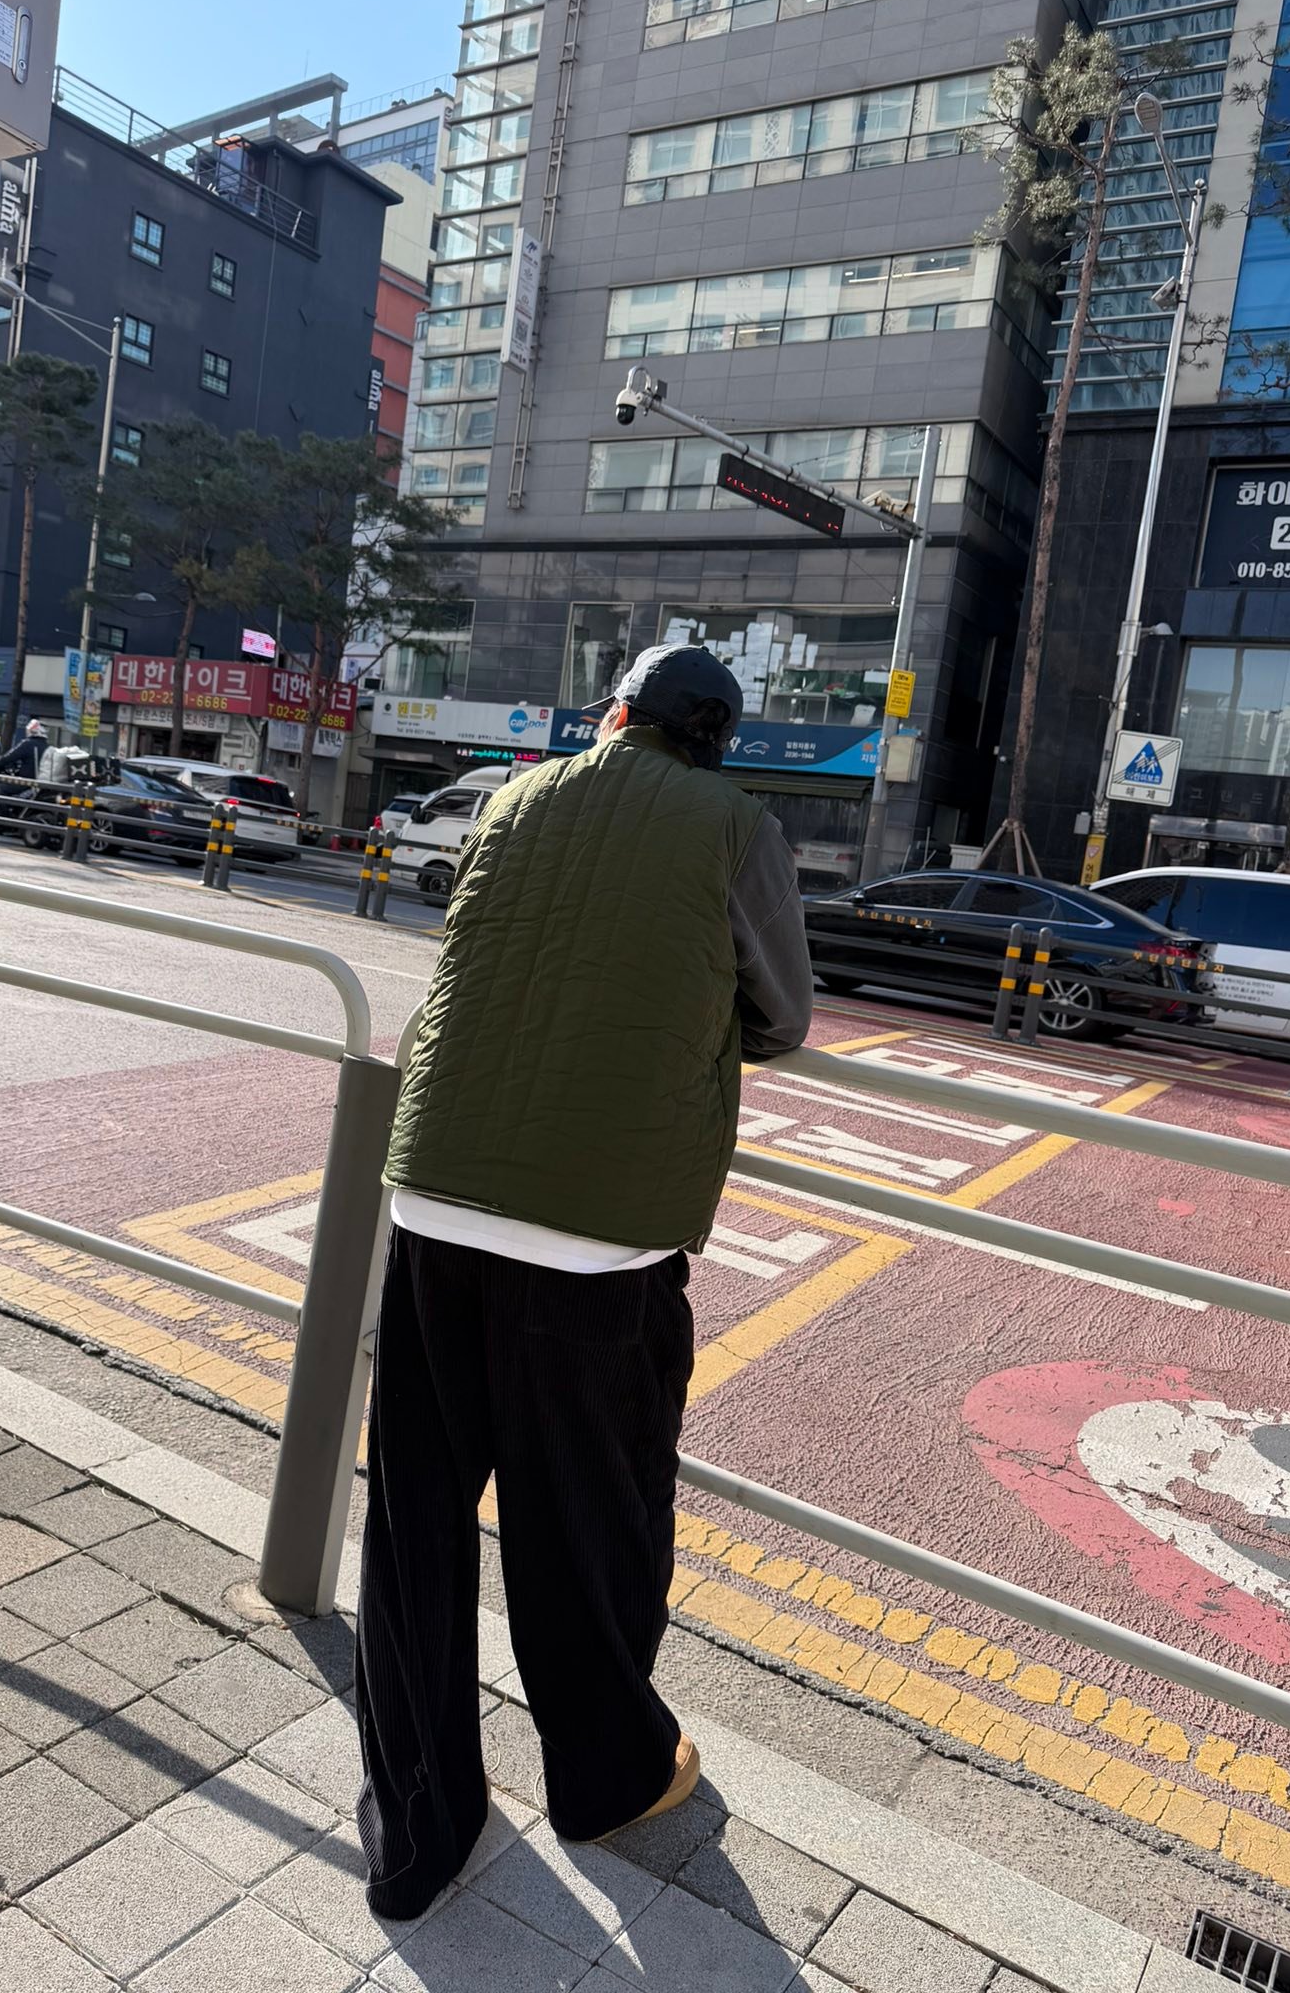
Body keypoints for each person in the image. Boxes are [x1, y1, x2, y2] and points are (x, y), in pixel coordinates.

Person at [355, 641, 816, 1919]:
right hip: (597, 1234)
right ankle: (608, 1776)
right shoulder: (736, 825)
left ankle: (417, 1822)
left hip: (435, 1195)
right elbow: (782, 1016)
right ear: (714, 741)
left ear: (614, 713)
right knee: (590, 1518)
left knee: (416, 1515)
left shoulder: (513, 795)